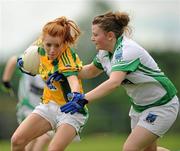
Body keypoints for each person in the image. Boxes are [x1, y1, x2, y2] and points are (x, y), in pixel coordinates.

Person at [60, 11, 179, 151]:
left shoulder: (127, 51)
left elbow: (113, 83)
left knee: (130, 148)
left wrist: (83, 99)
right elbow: (91, 71)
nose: (92, 38)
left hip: (161, 106)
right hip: (139, 108)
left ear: (110, 35)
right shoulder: (105, 52)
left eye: (96, 34)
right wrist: (65, 72)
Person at [11, 16, 88, 151]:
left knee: (53, 149)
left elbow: (73, 81)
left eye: (57, 45)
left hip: (71, 109)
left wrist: (76, 95)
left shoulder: (65, 58)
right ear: (43, 41)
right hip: (49, 105)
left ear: (64, 43)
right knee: (17, 141)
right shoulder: (40, 46)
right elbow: (28, 55)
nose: (52, 50)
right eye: (48, 45)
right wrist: (24, 60)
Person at [1, 55, 52, 151]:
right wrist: (6, 80)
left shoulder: (54, 65)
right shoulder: (32, 60)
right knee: (41, 137)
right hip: (26, 107)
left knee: (38, 138)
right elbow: (13, 60)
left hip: (42, 110)